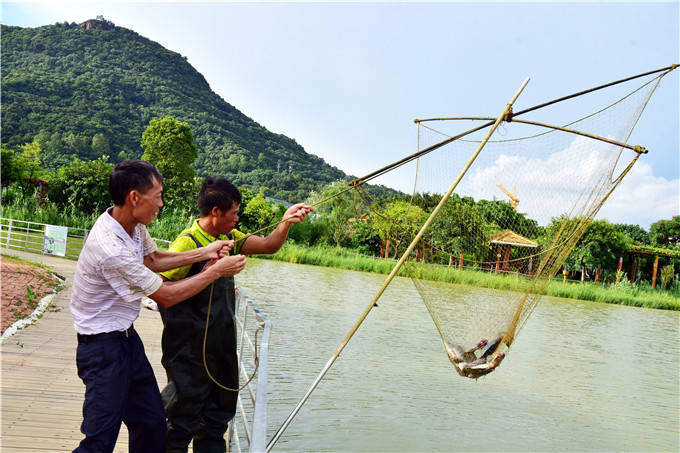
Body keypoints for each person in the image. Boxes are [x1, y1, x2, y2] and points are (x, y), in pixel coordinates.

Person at [70, 160, 246, 453]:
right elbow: (165, 295)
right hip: (100, 348)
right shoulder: (110, 247)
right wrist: (215, 271)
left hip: (127, 339)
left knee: (151, 424)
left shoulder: (132, 226)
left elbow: (153, 260)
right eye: (158, 195)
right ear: (135, 197)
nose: (161, 204)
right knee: (99, 440)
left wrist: (206, 251)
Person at [160, 176, 313, 453]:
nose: (237, 218)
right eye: (234, 213)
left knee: (217, 418)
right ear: (215, 212)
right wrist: (210, 272)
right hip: (189, 348)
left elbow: (268, 245)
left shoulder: (228, 237)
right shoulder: (187, 243)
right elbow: (162, 291)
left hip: (222, 345)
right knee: (182, 417)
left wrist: (286, 221)